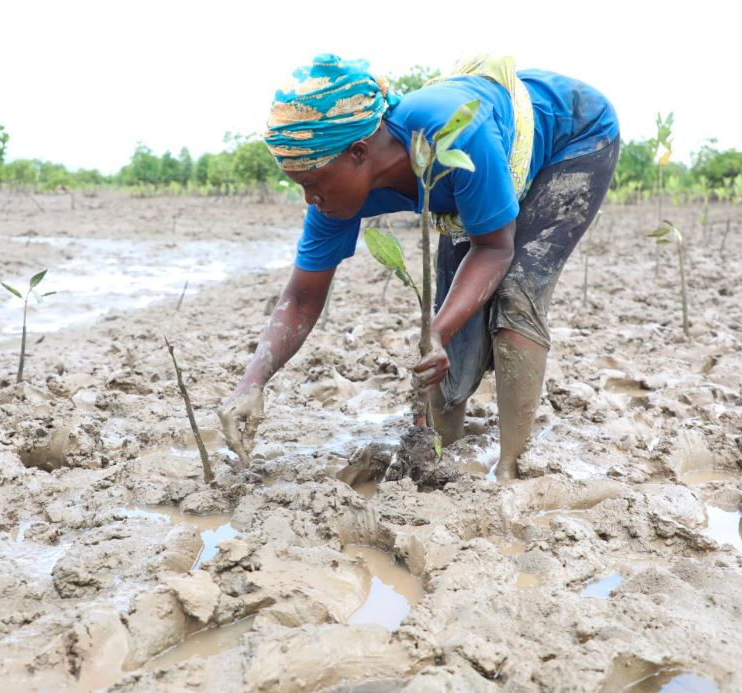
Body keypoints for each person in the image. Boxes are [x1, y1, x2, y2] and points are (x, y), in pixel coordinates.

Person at [218, 53, 619, 481]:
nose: (308, 199)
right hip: (474, 173)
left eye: (312, 183)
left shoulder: (455, 134)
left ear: (357, 152)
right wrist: (252, 383)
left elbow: (495, 250)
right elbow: (301, 297)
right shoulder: (335, 197)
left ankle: (512, 468)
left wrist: (438, 329)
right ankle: (442, 453)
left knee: (517, 287)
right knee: (452, 305)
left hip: (573, 135)